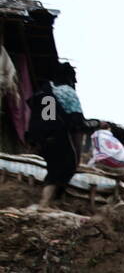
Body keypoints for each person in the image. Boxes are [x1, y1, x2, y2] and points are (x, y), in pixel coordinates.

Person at [26, 62, 86, 210]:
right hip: (58, 135)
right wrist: (78, 154)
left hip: (40, 136)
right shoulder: (67, 92)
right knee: (65, 167)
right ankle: (45, 203)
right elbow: (77, 123)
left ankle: (51, 202)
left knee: (54, 166)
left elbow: (39, 116)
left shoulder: (43, 90)